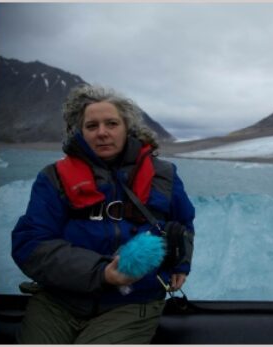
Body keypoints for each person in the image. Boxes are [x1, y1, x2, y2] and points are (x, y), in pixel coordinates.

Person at [11, 84, 195, 344]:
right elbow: (31, 244)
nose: (102, 133)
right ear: (80, 131)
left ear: (127, 127)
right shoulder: (53, 178)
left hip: (132, 302)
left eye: (111, 123)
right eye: (92, 126)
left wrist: (181, 263)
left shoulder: (163, 175)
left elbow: (182, 222)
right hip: (59, 301)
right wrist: (101, 273)